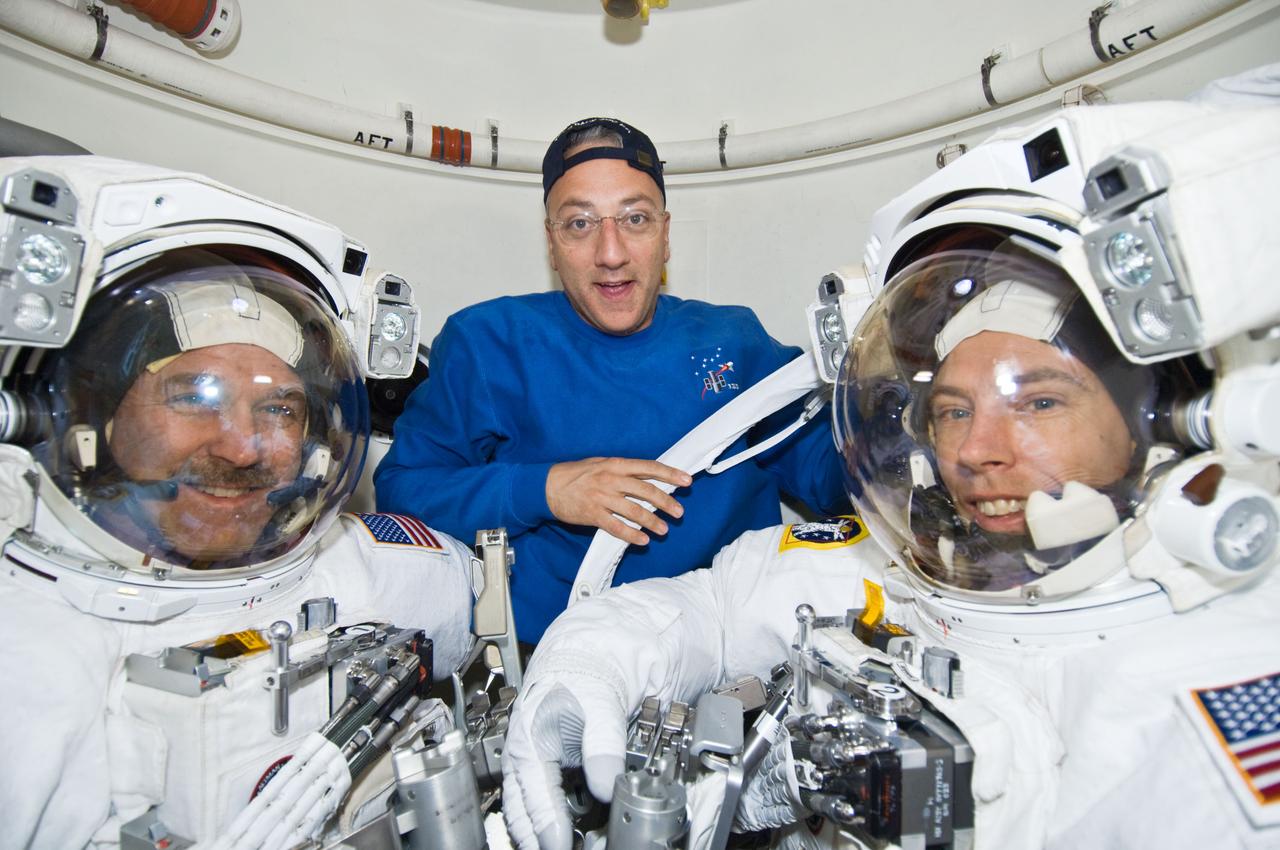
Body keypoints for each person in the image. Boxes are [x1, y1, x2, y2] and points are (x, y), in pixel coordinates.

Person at [498, 99, 1280, 849]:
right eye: (953, 410)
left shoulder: (1206, 681)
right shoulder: (896, 568)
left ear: (1161, 416)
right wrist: (582, 669)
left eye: (1039, 402)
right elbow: (700, 611)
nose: (977, 451)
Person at [0, 194, 478, 849]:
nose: (240, 447)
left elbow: (477, 592)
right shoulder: (30, 661)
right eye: (193, 397)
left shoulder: (363, 573)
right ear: (99, 419)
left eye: (278, 409)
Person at [375, 117, 849, 642]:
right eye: (580, 224)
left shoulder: (734, 342)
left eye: (635, 219)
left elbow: (836, 479)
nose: (611, 254)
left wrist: (888, 412)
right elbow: (402, 492)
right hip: (556, 657)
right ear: (551, 243)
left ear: (665, 235)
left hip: (731, 654)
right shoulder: (489, 344)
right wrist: (545, 489)